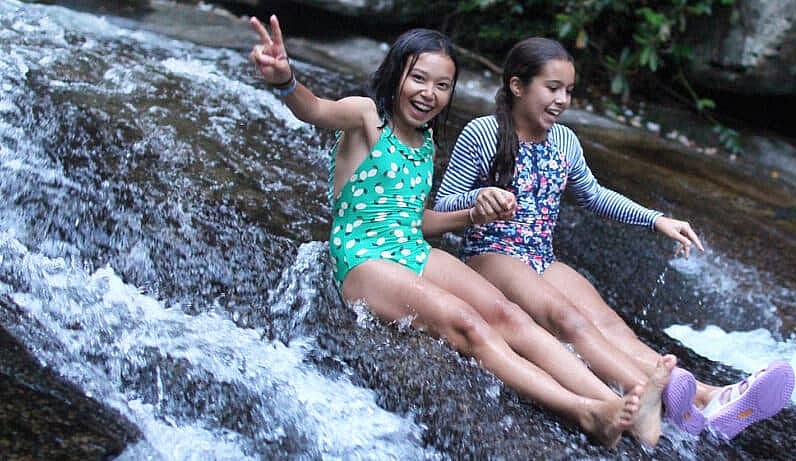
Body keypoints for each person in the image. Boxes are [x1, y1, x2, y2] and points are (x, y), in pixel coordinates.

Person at [248, 16, 675, 447]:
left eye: (442, 85)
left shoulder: (425, 142)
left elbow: (417, 220)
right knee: (469, 325)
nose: (428, 94)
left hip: (410, 248)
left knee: (510, 315)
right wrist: (285, 80)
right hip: (363, 258)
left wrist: (474, 214)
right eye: (418, 79)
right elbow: (315, 108)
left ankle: (618, 407)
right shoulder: (365, 117)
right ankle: (583, 412)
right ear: (395, 73)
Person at [433, 37, 795, 440]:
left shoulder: (565, 141)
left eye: (568, 91)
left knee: (609, 322)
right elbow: (444, 202)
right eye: (552, 88)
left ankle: (709, 397)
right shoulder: (483, 133)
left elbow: (594, 195)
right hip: (491, 254)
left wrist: (656, 220)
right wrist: (479, 198)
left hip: (540, 257)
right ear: (518, 86)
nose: (562, 100)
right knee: (567, 318)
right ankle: (656, 397)